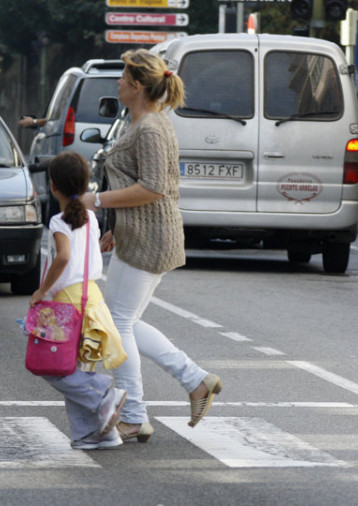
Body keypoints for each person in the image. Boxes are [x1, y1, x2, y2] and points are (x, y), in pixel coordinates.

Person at [80, 48, 222, 443]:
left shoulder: (150, 128)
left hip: (151, 238)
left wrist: (98, 201)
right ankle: (196, 380)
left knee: (118, 323)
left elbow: (154, 187)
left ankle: (136, 415)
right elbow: (140, 184)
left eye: (125, 79)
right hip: (139, 233)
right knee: (126, 320)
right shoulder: (140, 122)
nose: (119, 83)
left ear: (139, 86)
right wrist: (116, 225)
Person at [29, 151, 128, 450]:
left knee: (52, 367)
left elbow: (64, 257)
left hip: (66, 302)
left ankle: (103, 396)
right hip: (92, 298)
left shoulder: (59, 222)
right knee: (76, 369)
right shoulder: (90, 218)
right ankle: (95, 434)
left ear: (53, 185)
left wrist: (41, 291)